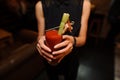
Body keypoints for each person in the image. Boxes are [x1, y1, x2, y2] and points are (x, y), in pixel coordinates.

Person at [36, 0, 91, 80]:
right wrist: (41, 42)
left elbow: (82, 39)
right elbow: (40, 35)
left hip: (72, 57)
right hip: (50, 55)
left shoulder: (85, 4)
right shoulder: (40, 5)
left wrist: (72, 40)